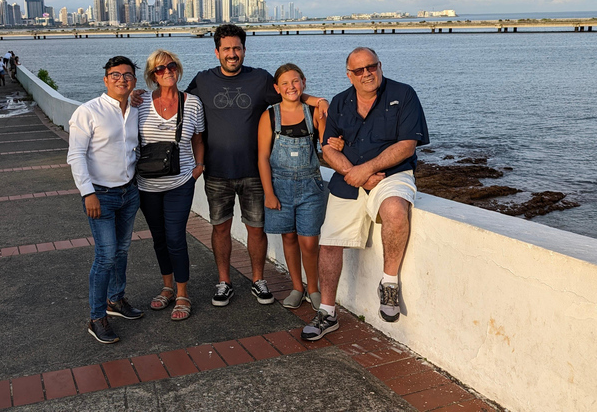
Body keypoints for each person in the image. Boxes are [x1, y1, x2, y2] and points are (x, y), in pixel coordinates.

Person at [183, 24, 328, 307]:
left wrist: (317, 99)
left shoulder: (260, 79)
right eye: (226, 49)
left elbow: (291, 94)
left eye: (237, 48)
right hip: (217, 170)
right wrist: (144, 99)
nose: (232, 54)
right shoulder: (203, 80)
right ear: (217, 52)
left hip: (254, 172)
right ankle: (224, 282)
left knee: (256, 229)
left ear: (244, 50)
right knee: (221, 228)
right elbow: (182, 104)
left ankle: (258, 280)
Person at [301, 47, 429, 341]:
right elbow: (328, 149)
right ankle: (327, 312)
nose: (366, 73)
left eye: (371, 66)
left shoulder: (403, 95)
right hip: (350, 178)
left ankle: (389, 284)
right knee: (330, 241)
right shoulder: (340, 103)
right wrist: (354, 174)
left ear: (379, 66)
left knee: (396, 211)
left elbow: (407, 146)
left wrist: (366, 170)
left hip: (391, 175)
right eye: (358, 70)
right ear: (350, 75)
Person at [67, 55, 143, 344]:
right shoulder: (88, 112)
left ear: (134, 80)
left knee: (122, 251)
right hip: (101, 195)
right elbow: (75, 156)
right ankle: (97, 316)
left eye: (127, 75)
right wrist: (88, 193)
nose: (122, 79)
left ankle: (116, 299)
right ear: (105, 79)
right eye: (115, 75)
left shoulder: (136, 108)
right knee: (105, 255)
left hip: (129, 192)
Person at [137, 49, 205, 321]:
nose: (167, 71)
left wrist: (199, 166)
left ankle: (182, 292)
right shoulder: (139, 101)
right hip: (146, 185)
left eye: (172, 66)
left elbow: (198, 138)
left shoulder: (192, 103)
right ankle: (166, 286)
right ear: (152, 75)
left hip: (180, 182)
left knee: (176, 237)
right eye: (160, 69)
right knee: (159, 238)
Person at [258, 63, 326, 311]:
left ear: (304, 82)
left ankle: (314, 288)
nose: (291, 87)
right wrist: (269, 193)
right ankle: (297, 287)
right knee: (288, 237)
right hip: (280, 185)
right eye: (285, 83)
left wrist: (322, 105)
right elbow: (263, 157)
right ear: (277, 88)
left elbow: (327, 145)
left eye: (295, 81)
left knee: (309, 241)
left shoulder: (312, 112)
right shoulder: (270, 116)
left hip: (311, 185)